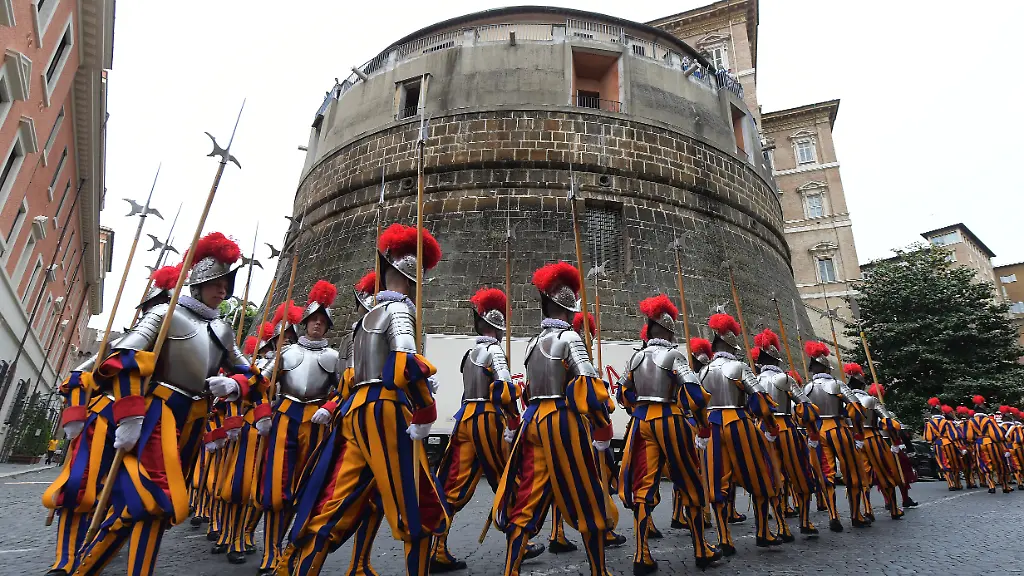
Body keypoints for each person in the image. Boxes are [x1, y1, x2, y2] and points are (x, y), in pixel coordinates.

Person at [70, 232, 264, 576]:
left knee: (164, 505)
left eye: (226, 284)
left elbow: (254, 375)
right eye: (217, 283)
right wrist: (130, 415)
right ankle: (83, 567)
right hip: (159, 411)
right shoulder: (165, 313)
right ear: (200, 283)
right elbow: (125, 358)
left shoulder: (223, 328)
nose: (223, 290)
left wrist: (234, 385)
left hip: (193, 420)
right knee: (153, 495)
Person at [276, 223, 448, 576]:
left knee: (337, 500)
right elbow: (404, 365)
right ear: (414, 281)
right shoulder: (400, 311)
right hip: (386, 410)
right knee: (417, 504)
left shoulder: (365, 318)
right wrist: (425, 409)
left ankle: (296, 565)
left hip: (356, 409)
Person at [42, 263, 179, 576]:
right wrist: (76, 414)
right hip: (103, 422)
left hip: (147, 427)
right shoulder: (118, 344)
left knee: (135, 495)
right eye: (154, 308)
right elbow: (78, 376)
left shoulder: (176, 349)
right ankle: (65, 561)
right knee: (79, 488)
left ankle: (98, 551)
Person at [493, 262, 614, 576]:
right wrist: (602, 427)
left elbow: (528, 391)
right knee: (588, 495)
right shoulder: (571, 340)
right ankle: (600, 571)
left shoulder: (532, 344)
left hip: (533, 421)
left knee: (527, 497)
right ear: (570, 309)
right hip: (563, 421)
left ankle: (510, 570)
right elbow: (588, 389)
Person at [431, 287, 543, 571]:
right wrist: (513, 419)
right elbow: (502, 390)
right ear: (497, 328)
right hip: (486, 419)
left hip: (464, 417)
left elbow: (468, 391)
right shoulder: (495, 351)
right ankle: (520, 541)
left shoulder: (469, 354)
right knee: (508, 479)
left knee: (452, 485)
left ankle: (437, 548)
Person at [617, 295, 720, 574]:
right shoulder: (674, 355)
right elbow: (695, 395)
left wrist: (635, 410)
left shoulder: (636, 357)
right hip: (670, 419)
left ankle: (641, 553)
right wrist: (702, 425)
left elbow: (622, 393)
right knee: (689, 480)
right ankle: (701, 548)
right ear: (668, 330)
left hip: (642, 422)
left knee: (643, 486)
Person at [257, 280, 341, 574]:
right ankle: (270, 551)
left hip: (316, 422)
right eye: (313, 321)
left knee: (308, 487)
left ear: (326, 327)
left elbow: (342, 391)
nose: (317, 325)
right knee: (277, 488)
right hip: (285, 417)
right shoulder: (286, 351)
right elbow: (261, 383)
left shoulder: (332, 357)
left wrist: (328, 408)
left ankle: (293, 548)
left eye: (322, 322)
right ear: (305, 323)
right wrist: (263, 413)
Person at [699, 312, 785, 554]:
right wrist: (769, 426)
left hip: (712, 424)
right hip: (738, 421)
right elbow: (759, 401)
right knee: (760, 475)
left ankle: (724, 538)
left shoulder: (703, 372)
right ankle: (763, 532)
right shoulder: (740, 366)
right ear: (730, 343)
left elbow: (695, 402)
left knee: (717, 482)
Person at [751, 329, 819, 538]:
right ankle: (805, 521)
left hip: (762, 429)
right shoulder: (785, 379)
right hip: (787, 428)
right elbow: (806, 408)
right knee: (801, 474)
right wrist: (813, 432)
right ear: (776, 358)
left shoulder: (753, 379)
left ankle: (781, 525)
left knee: (771, 477)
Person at [802, 341, 869, 531]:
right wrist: (857, 433)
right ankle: (856, 515)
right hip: (839, 428)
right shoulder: (837, 384)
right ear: (826, 366)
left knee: (826, 473)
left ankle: (833, 514)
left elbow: (802, 413)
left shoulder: (807, 388)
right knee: (852, 470)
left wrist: (812, 434)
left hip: (818, 430)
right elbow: (856, 410)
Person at [847, 370, 904, 521]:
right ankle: (893, 509)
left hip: (854, 440)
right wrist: (895, 442)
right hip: (872, 438)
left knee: (863, 476)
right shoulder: (870, 400)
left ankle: (867, 509)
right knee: (886, 473)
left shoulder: (844, 400)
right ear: (862, 385)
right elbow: (889, 423)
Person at [966, 395, 1013, 494]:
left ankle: (991, 486)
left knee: (984, 464)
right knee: (999, 463)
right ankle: (1005, 486)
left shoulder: (971, 421)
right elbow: (997, 436)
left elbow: (969, 437)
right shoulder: (989, 420)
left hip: (979, 444)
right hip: (991, 443)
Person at [923, 399, 962, 491]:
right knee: (954, 463)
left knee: (944, 464)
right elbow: (954, 435)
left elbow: (928, 437)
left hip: (938, 444)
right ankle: (957, 483)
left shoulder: (929, 424)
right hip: (949, 443)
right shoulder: (947, 422)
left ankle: (950, 484)